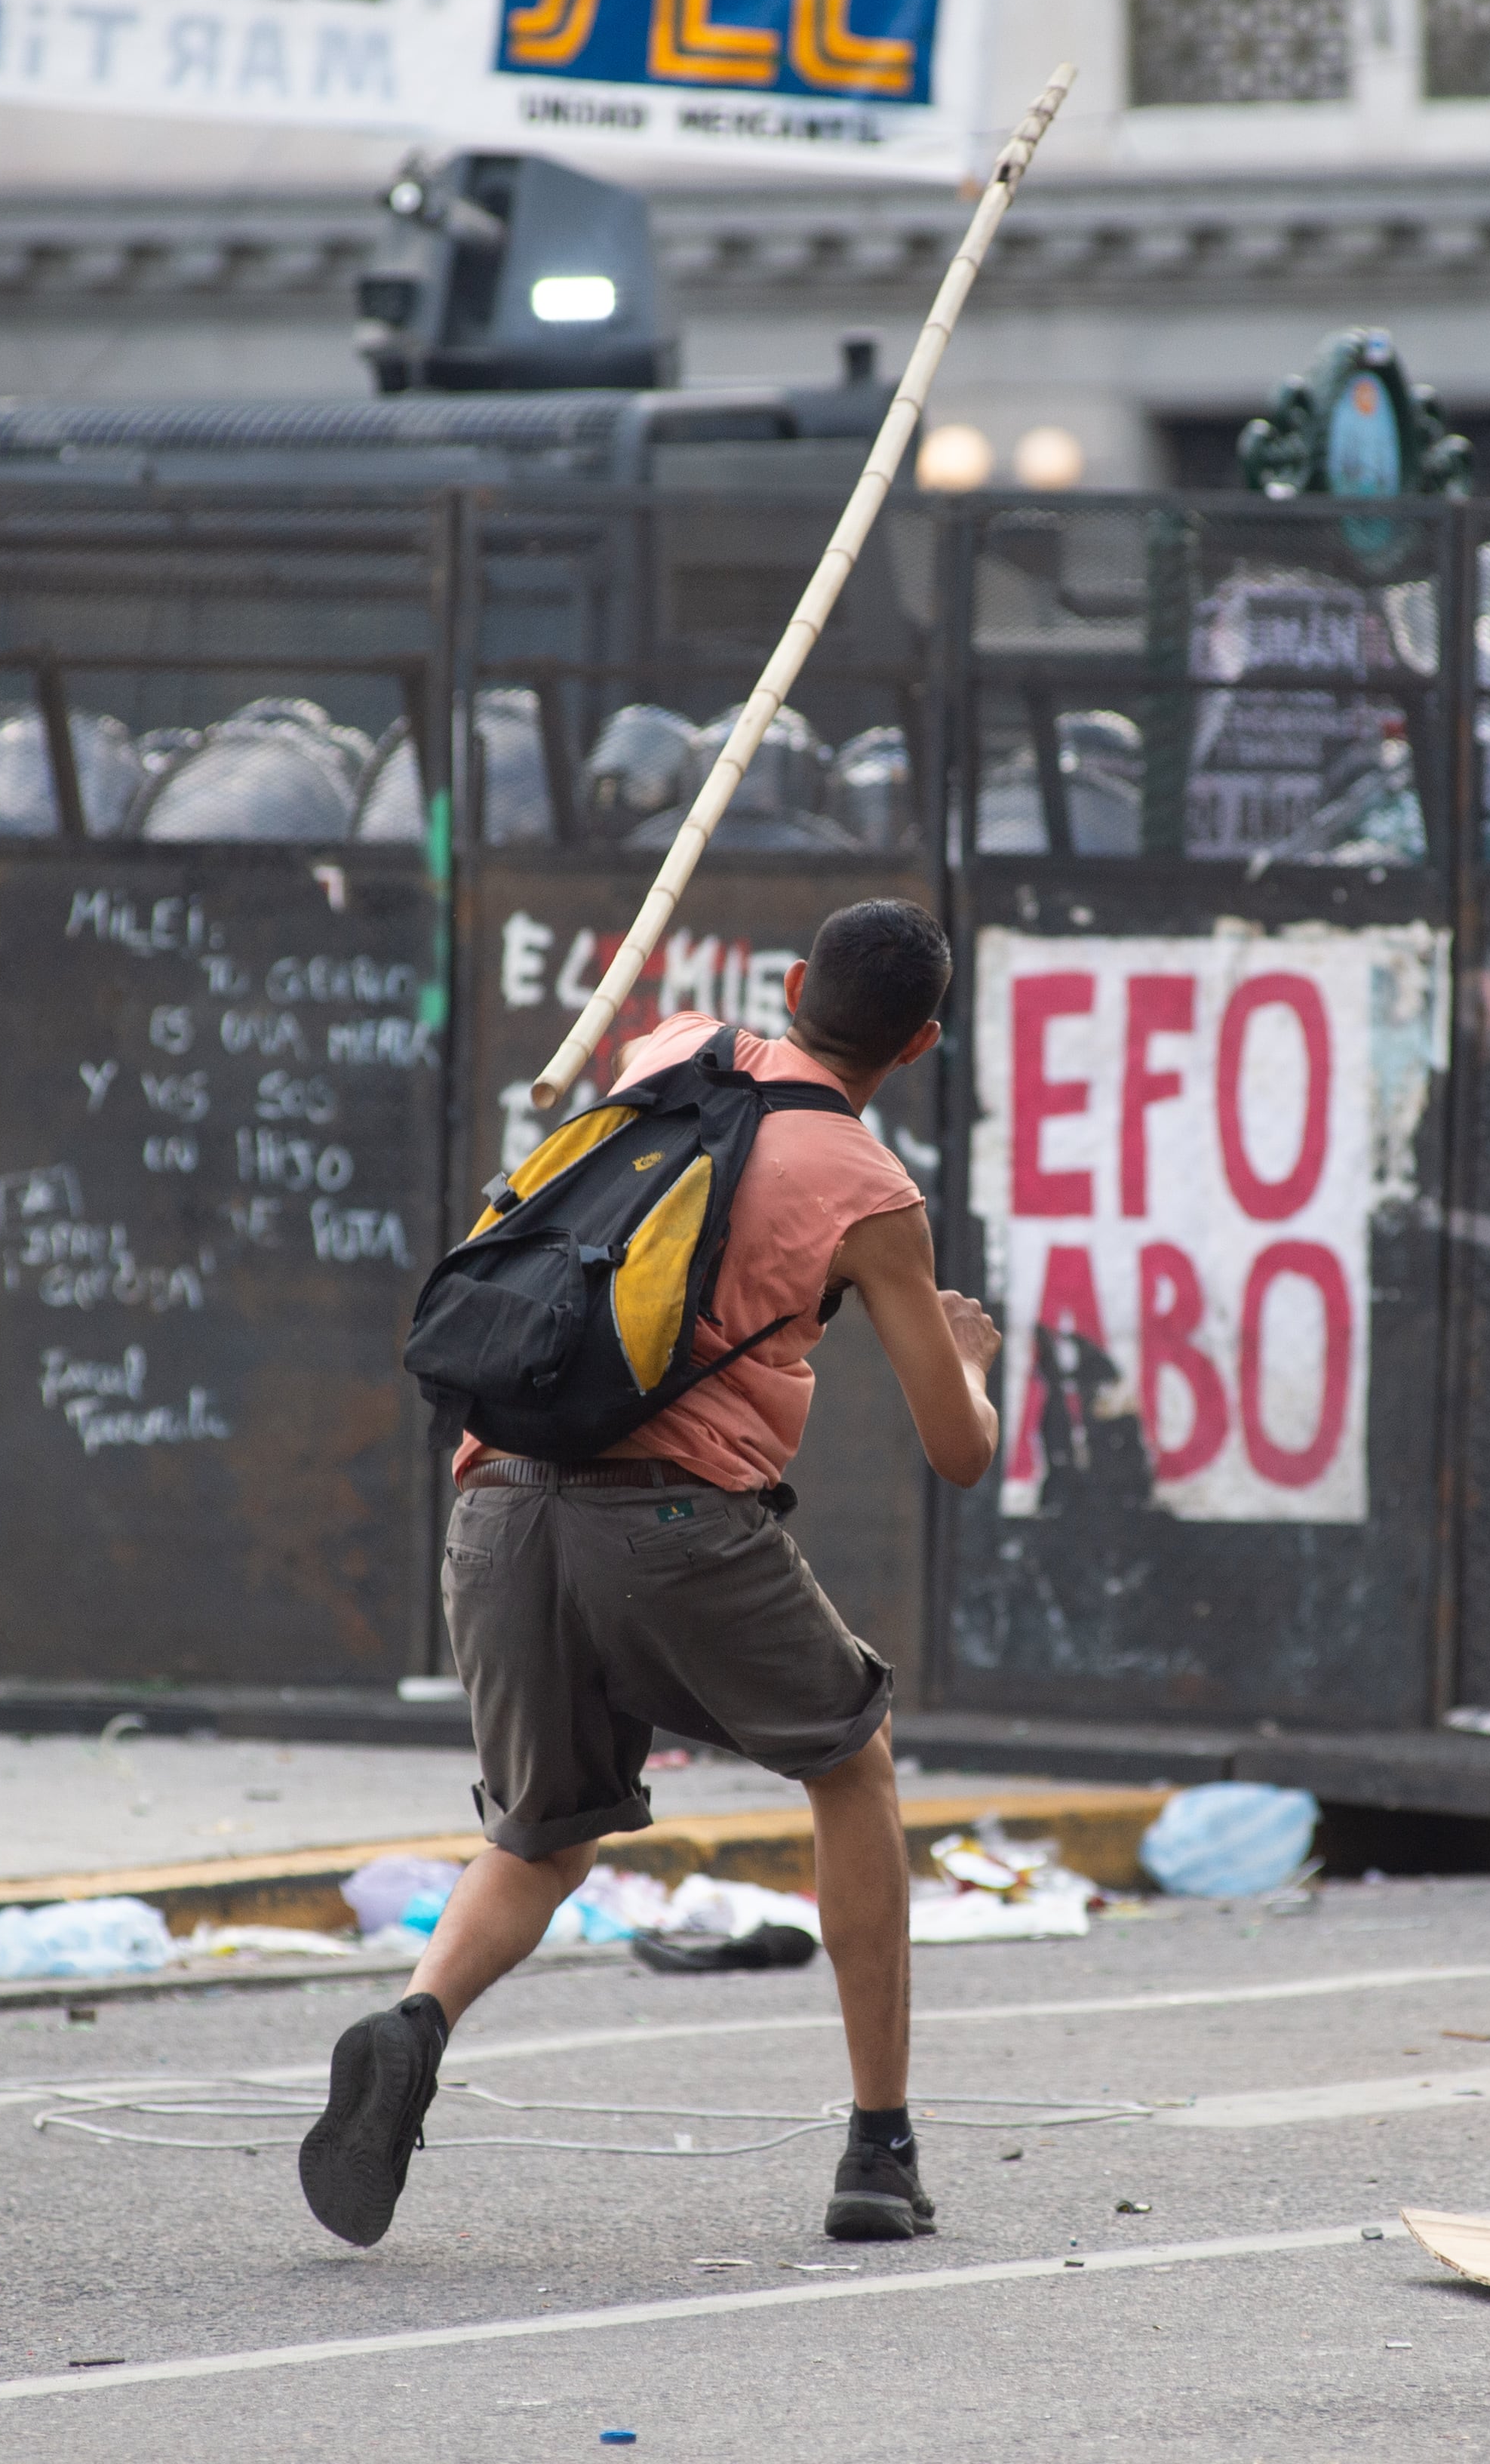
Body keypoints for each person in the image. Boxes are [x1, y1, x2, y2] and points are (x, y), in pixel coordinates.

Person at [300, 898, 1002, 2249]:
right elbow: (956, 1452)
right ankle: (879, 2150)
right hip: (674, 1524)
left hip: (495, 1502)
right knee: (851, 1764)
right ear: (917, 1046)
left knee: (542, 1833)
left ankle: (415, 2022)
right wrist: (967, 1356)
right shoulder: (869, 1192)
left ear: (790, 984)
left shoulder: (671, 1046)